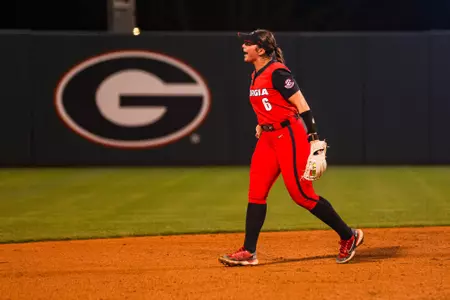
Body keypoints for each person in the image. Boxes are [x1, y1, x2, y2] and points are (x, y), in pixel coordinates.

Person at [218, 29, 364, 266]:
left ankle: (349, 235)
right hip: (268, 139)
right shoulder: (255, 75)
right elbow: (269, 103)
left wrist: (313, 136)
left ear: (261, 49)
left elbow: (301, 104)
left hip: (289, 136)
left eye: (249, 43)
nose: (243, 47)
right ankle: (249, 251)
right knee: (256, 192)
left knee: (302, 195)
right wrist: (261, 123)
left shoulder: (277, 72)